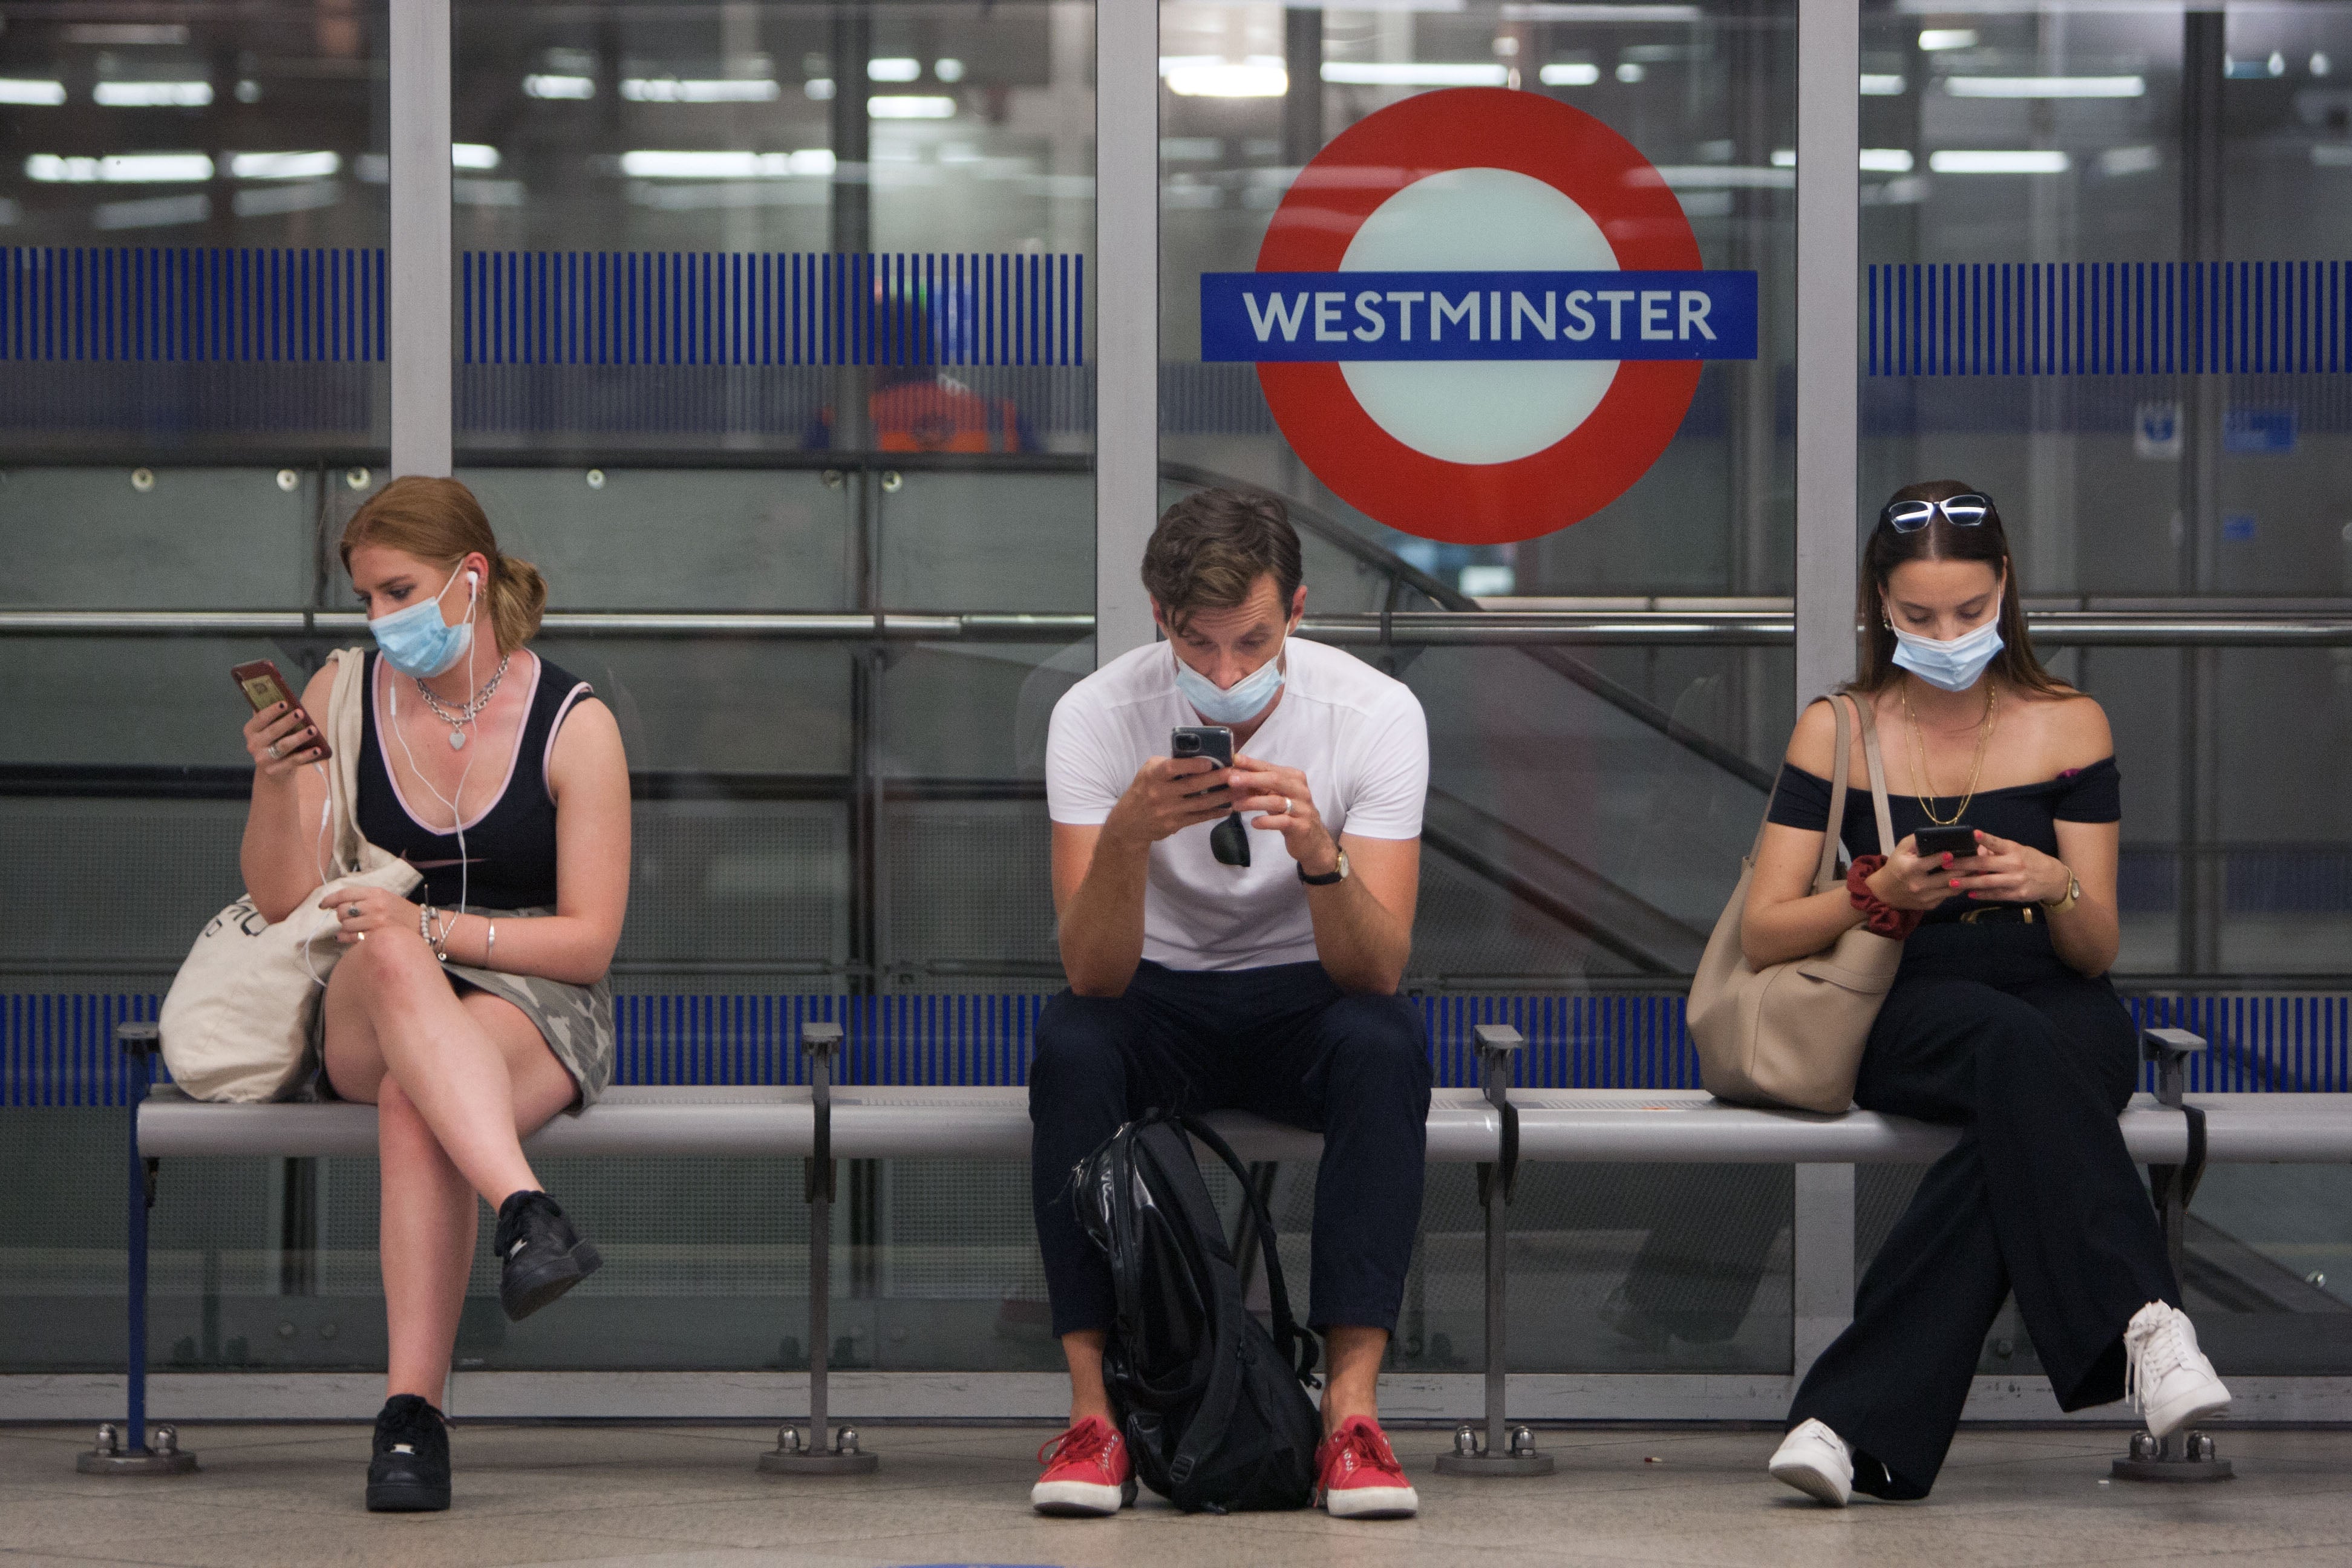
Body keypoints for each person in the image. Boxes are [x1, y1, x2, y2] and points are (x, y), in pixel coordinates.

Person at [1745, 480, 2229, 1505]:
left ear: (2006, 590)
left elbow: (2094, 950)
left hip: (2059, 997)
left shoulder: (2069, 724)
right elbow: (1764, 929)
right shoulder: (1838, 728)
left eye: (1970, 612)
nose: (1948, 634)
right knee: (2011, 1059)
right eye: (1920, 616)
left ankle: (1846, 1425)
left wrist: (2053, 881)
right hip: (1906, 1000)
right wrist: (1873, 889)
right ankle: (2148, 1323)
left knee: (2010, 1127)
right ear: (1880, 603)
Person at [1027, 488, 1432, 1520]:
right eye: (1198, 644)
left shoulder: (1375, 714)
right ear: (1159, 618)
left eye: (1252, 642)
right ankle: (1094, 1417)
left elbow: (1377, 969)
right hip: (1154, 990)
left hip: (1308, 991)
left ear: (1297, 609)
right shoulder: (1095, 716)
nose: (1225, 673)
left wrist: (1318, 856)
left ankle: (1352, 1415)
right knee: (1073, 1045)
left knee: (1385, 1045)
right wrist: (1126, 837)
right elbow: (1094, 976)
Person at [238, 477, 631, 1514]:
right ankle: (524, 1209)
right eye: (365, 599)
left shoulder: (573, 723)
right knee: (392, 963)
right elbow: (282, 897)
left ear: (470, 580)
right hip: (368, 994)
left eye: (395, 591)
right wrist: (278, 785)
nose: (377, 620)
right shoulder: (341, 692)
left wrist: (435, 928)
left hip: (535, 1003)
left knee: (423, 1095)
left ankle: (411, 1417)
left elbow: (590, 944)